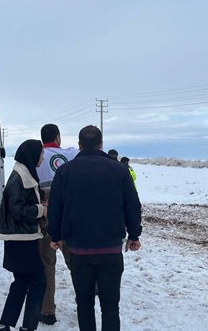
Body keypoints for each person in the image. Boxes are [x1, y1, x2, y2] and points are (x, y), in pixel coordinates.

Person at [48, 125, 142, 331]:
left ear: (80, 145)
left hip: (78, 251)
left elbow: (55, 207)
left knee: (84, 304)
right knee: (110, 306)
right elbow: (132, 205)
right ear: (101, 144)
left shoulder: (65, 171)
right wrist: (134, 234)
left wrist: (55, 235)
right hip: (111, 249)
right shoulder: (120, 170)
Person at [0, 140, 47, 331]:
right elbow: (17, 210)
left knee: (22, 281)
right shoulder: (20, 177)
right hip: (22, 239)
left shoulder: (24, 173)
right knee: (39, 281)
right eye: (41, 154)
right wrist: (41, 210)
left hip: (19, 239)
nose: (42, 157)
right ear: (32, 155)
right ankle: (28, 327)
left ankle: (4, 324)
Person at [35, 123, 79, 325]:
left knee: (46, 262)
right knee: (77, 262)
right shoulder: (71, 155)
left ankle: (47, 311)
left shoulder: (38, 157)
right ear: (58, 137)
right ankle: (84, 303)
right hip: (70, 211)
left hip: (46, 211)